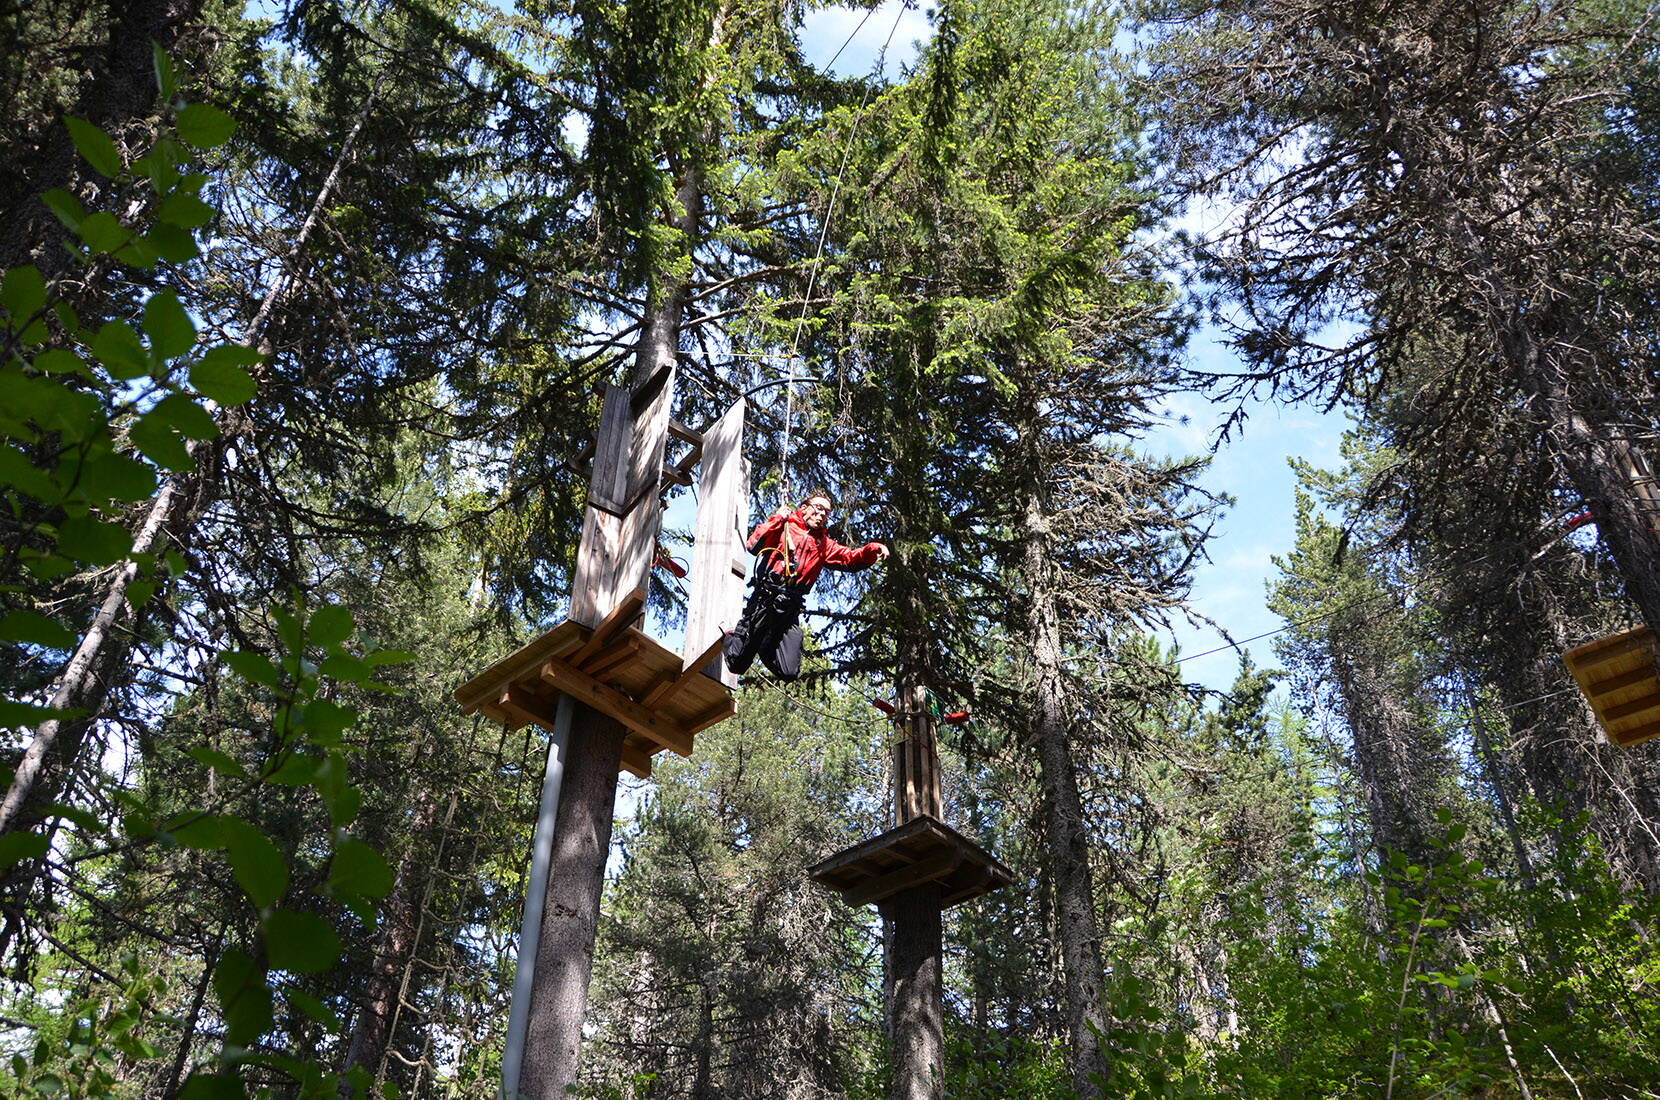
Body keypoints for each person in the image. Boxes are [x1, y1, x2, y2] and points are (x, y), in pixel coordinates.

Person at [723, 488, 889, 681]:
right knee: (736, 663)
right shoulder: (785, 527)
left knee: (789, 672)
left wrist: (872, 549)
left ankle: (763, 643)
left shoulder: (824, 544)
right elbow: (754, 545)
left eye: (826, 513)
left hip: (789, 608)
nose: (821, 515)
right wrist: (778, 517)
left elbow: (849, 559)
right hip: (766, 599)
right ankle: (731, 635)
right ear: (803, 508)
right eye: (818, 509)